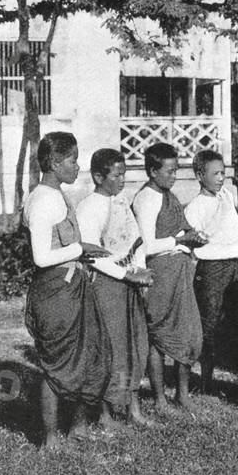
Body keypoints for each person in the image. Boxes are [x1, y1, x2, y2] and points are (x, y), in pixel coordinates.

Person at [23, 132, 111, 449]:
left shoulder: (58, 194)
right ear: (55, 163)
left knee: (88, 355)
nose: (78, 166)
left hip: (72, 286)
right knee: (57, 365)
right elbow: (41, 257)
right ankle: (49, 438)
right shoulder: (43, 201)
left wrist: (79, 251)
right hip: (54, 292)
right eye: (73, 160)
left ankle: (78, 427)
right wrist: (79, 248)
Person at [76, 148, 153, 429]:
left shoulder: (121, 202)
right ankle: (106, 413)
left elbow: (136, 239)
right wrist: (124, 274)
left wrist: (140, 269)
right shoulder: (88, 208)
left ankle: (133, 409)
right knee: (111, 347)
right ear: (98, 176)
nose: (122, 180)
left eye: (124, 174)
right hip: (106, 286)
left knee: (134, 344)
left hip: (129, 282)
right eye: (116, 175)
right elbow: (93, 256)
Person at [132, 142, 207, 413]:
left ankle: (183, 394)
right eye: (169, 171)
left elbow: (180, 230)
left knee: (186, 332)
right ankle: (161, 398)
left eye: (176, 170)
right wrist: (179, 239)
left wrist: (192, 239)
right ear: (153, 171)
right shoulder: (146, 199)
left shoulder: (169, 196)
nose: (174, 177)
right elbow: (146, 245)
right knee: (160, 336)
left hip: (180, 271)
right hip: (159, 274)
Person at [185, 150, 238, 399]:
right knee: (210, 324)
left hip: (233, 268)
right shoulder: (195, 207)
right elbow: (201, 251)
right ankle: (206, 380)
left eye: (223, 173)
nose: (221, 178)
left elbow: (235, 226)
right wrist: (233, 248)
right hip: (211, 272)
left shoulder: (226, 196)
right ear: (199, 175)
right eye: (215, 173)